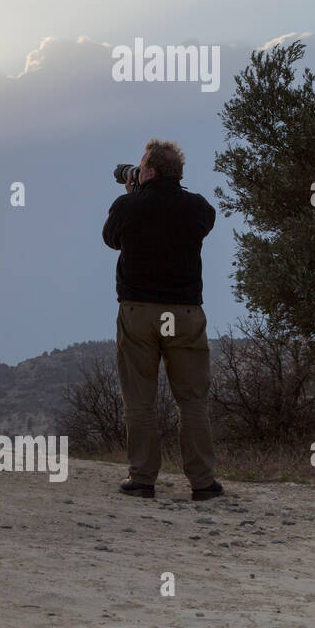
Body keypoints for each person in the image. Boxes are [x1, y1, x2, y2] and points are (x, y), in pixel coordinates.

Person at [101, 139, 224, 501]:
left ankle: (142, 479)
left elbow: (111, 240)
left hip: (138, 312)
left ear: (149, 171)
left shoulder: (127, 205)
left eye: (140, 167)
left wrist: (133, 194)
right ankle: (203, 483)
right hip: (185, 313)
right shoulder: (198, 208)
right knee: (193, 401)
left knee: (140, 400)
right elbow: (201, 223)